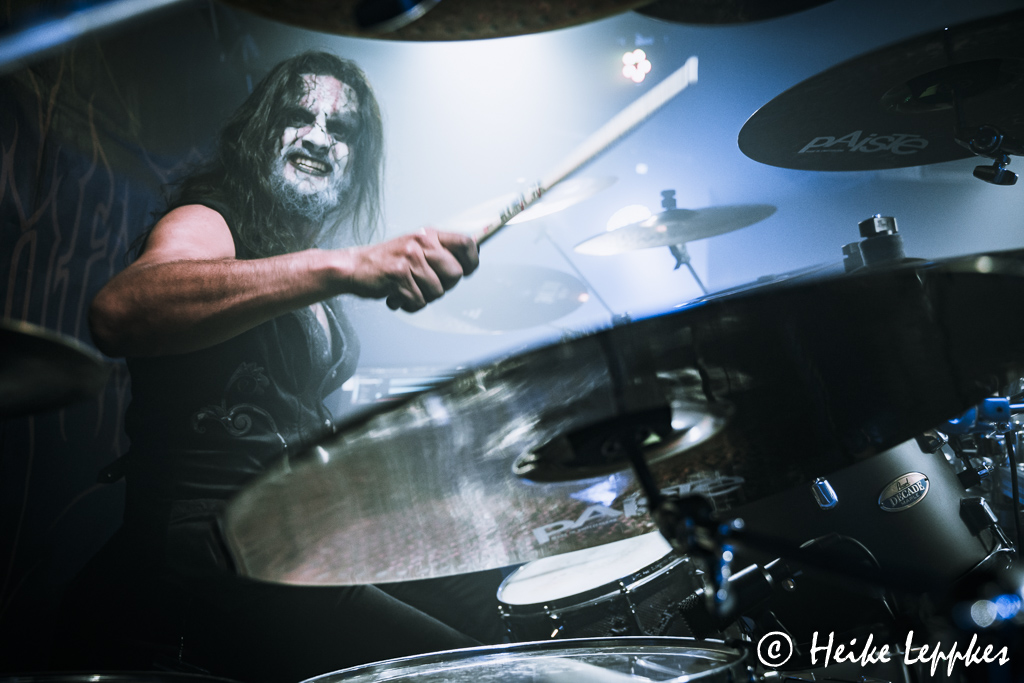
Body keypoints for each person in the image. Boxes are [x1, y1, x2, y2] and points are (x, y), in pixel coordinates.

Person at [55, 51, 504, 682]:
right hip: (207, 551)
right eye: (299, 116)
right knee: (473, 675)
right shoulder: (209, 221)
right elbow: (121, 312)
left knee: (493, 608)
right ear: (261, 132)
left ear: (357, 162)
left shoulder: (299, 265)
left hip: (297, 535)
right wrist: (345, 265)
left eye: (340, 129)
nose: (318, 137)